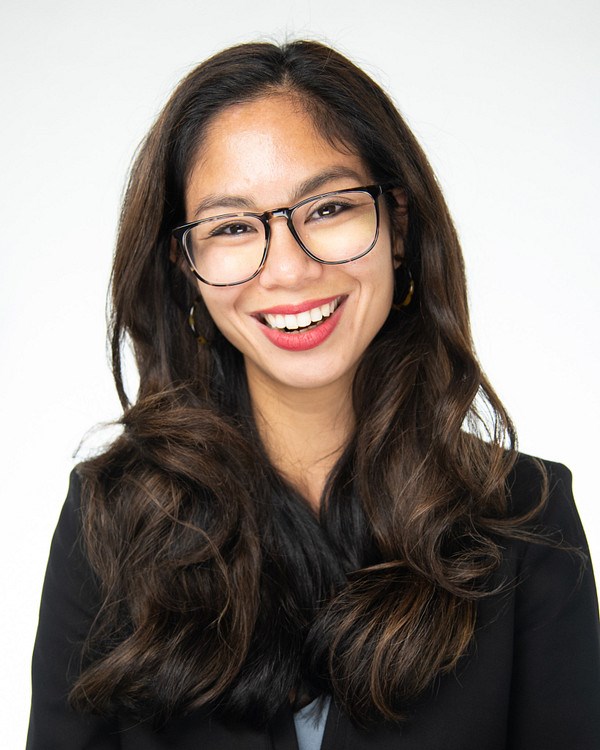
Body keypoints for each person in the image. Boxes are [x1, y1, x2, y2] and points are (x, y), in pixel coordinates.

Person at [26, 40, 600, 750]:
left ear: (397, 223)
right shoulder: (110, 519)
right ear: (186, 266)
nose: (290, 269)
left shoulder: (527, 520)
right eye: (233, 227)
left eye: (328, 209)